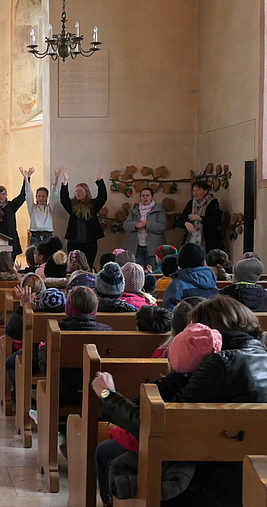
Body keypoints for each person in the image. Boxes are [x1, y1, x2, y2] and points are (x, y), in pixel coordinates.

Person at [92, 296, 267, 506]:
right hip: (255, 475)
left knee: (107, 452)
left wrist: (107, 395)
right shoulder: (258, 356)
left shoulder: (218, 364)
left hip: (211, 479)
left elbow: (160, 426)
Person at [59, 168, 107, 268]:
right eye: (76, 191)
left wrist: (100, 181)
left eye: (80, 191)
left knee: (88, 265)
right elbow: (64, 199)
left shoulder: (92, 205)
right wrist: (65, 183)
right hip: (74, 242)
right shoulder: (72, 206)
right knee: (74, 266)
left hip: (89, 242)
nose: (77, 193)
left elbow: (103, 197)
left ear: (86, 192)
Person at [161, 243, 218, 310]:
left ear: (180, 262)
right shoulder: (211, 280)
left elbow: (168, 310)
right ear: (203, 262)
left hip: (186, 319)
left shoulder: (177, 284)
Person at [123, 187, 167, 269]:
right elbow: (126, 225)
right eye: (143, 196)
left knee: (153, 271)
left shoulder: (159, 209)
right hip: (136, 247)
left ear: (152, 197)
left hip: (153, 248)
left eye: (147, 195)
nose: (145, 197)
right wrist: (136, 225)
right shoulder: (134, 210)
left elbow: (162, 226)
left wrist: (147, 224)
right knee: (137, 271)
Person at [175, 180, 225, 253]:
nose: (195, 193)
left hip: (208, 242)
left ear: (205, 191)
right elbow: (180, 220)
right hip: (192, 240)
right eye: (194, 190)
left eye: (198, 190)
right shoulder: (191, 203)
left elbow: (216, 223)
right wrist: (185, 223)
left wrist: (199, 218)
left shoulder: (213, 203)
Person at [21, 166, 59, 247]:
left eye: (43, 196)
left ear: (46, 197)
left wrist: (56, 179)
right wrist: (26, 179)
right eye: (39, 196)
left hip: (48, 237)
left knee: (48, 258)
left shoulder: (50, 208)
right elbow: (28, 195)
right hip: (35, 237)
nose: (41, 198)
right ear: (36, 197)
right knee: (34, 257)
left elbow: (54, 196)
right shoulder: (33, 208)